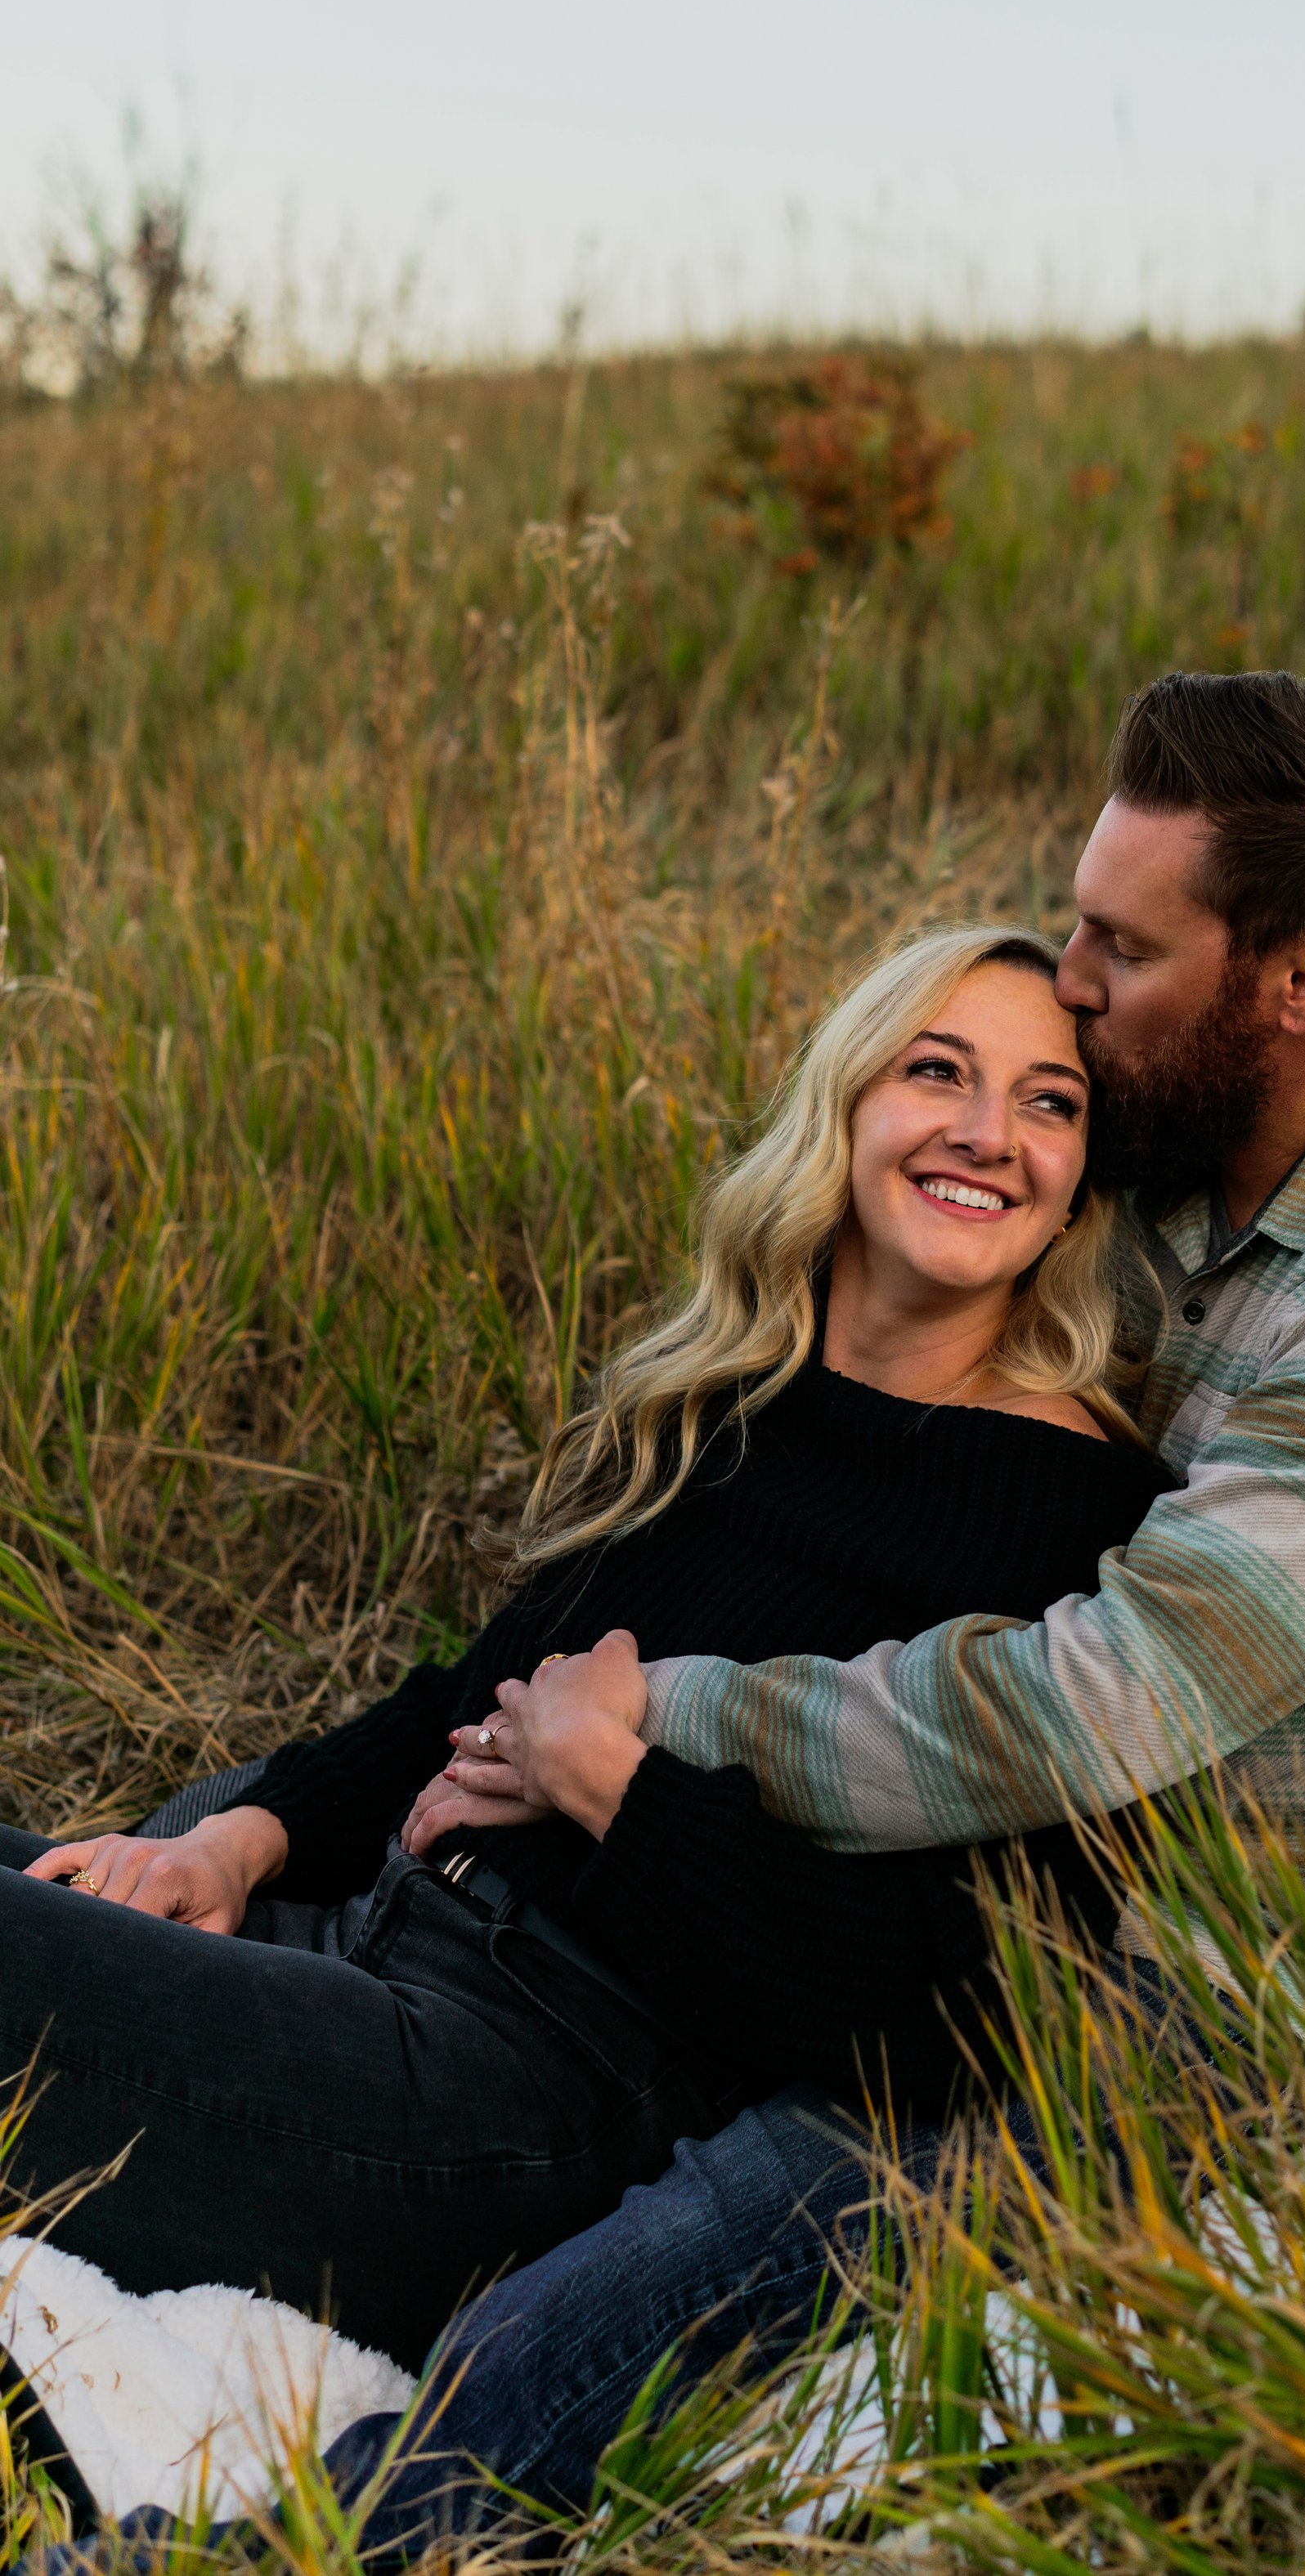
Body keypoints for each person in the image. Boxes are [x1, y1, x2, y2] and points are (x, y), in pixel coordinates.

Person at [298, 667, 1305, 2552]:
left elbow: (1086, 1706)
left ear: (1301, 979)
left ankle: (337, 2539)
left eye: (1115, 946)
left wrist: (655, 1717)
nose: (1068, 979)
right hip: (1021, 1888)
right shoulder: (1190, 1157)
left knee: (738, 2230)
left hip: (1241, 2005)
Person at [0, 928, 1165, 2384]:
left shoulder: (1080, 1521)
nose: (990, 1134)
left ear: (1080, 1186)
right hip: (371, 1939)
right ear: (850, 1105)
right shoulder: (737, 1397)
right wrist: (242, 1840)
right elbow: (472, 1692)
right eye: (940, 1069)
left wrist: (612, 1783)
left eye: (1050, 1103)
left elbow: (974, 1999)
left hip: (513, 2110)